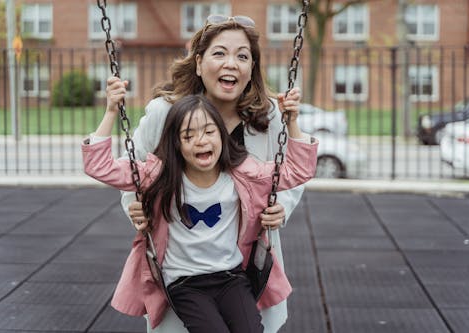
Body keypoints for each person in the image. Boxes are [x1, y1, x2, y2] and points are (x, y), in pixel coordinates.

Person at [118, 14, 306, 332]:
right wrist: (136, 205)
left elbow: (291, 169)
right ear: (198, 62)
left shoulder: (270, 116)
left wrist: (282, 206)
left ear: (251, 69)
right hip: (184, 265)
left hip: (247, 257)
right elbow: (133, 170)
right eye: (220, 53)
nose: (231, 63)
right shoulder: (166, 113)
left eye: (242, 56)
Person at [82, 91, 318, 332]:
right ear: (176, 143)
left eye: (209, 131)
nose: (201, 140)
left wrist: (292, 122)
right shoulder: (159, 176)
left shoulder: (243, 174)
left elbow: (299, 171)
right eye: (188, 135)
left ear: (222, 136)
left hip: (231, 277)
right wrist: (112, 111)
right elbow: (99, 167)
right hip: (185, 283)